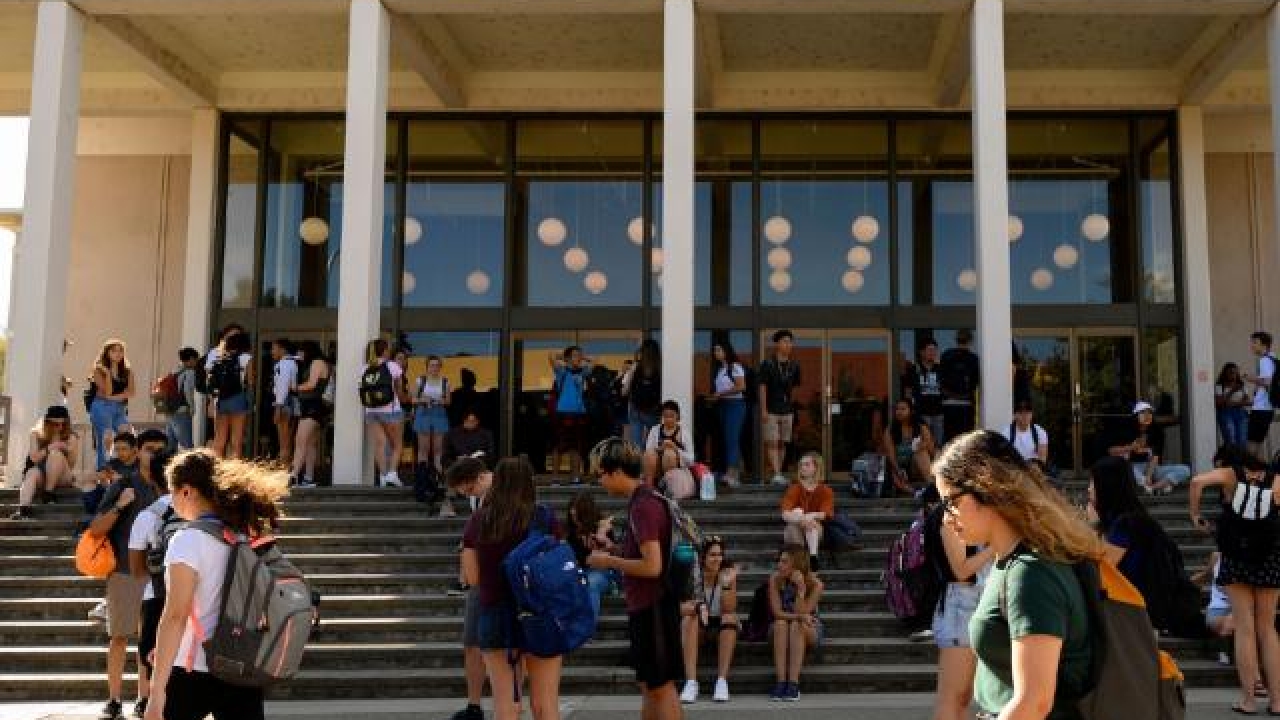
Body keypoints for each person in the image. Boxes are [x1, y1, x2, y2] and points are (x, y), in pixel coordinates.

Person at [932, 430, 1097, 720]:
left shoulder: (1030, 573)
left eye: (951, 503)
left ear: (987, 488)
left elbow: (1033, 703)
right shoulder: (1010, 562)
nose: (945, 517)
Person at [142, 450, 288, 720]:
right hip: (242, 663)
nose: (170, 501)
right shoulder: (245, 535)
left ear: (187, 491)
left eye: (172, 492)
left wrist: (157, 689)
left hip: (192, 668)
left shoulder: (188, 540)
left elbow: (175, 615)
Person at [586, 437, 683, 720]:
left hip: (653, 604)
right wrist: (614, 548)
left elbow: (652, 566)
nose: (600, 481)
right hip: (649, 604)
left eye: (600, 474)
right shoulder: (645, 500)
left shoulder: (643, 506)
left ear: (615, 471)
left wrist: (608, 561)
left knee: (660, 686)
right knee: (650, 684)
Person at [461, 457, 563, 720]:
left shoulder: (478, 520)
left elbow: (471, 577)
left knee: (506, 704)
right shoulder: (544, 517)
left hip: (495, 612)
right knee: (545, 704)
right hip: (540, 614)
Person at [1189, 445, 1280, 715]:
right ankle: (1277, 701)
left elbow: (1196, 482)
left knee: (1244, 627)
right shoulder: (1275, 476)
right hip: (1270, 556)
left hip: (1236, 553)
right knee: (1267, 627)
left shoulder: (1230, 474)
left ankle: (1249, 700)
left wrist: (1195, 516)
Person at [87, 432, 160, 720]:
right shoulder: (124, 484)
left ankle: (145, 698)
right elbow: (96, 529)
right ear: (139, 452)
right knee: (119, 637)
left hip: (159, 574)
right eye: (149, 449)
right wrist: (120, 504)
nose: (153, 455)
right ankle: (114, 700)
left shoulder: (170, 487)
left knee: (149, 640)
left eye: (159, 450)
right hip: (124, 571)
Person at [929, 507, 995, 720]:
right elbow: (961, 570)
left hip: (976, 603)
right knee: (952, 698)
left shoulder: (977, 513)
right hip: (959, 605)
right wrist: (997, 545)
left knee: (964, 698)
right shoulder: (949, 516)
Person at [126, 447, 173, 720]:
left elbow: (136, 569)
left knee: (158, 664)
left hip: (156, 597)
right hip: (202, 599)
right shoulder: (210, 514)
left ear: (152, 480)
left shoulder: (148, 516)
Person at [445, 457, 494, 720]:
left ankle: (495, 705)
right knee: (472, 643)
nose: (465, 494)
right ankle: (475, 704)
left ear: (475, 478)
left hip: (493, 578)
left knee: (485, 644)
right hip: (481, 576)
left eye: (465, 488)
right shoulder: (480, 498)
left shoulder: (503, 492)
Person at [1087, 456, 1167, 610]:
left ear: (1107, 484)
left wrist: (1094, 525)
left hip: (1136, 606)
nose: (1089, 488)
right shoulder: (1124, 516)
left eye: (1092, 482)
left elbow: (1103, 569)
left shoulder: (1126, 522)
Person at [679, 537, 739, 705]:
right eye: (712, 555)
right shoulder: (692, 575)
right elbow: (680, 608)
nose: (717, 559)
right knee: (688, 619)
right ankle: (691, 682)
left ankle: (721, 681)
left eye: (720, 554)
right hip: (698, 626)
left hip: (721, 624)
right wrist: (696, 608)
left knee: (729, 617)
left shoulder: (728, 572)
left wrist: (726, 585)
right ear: (702, 557)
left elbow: (729, 608)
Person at [767, 544, 824, 702]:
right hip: (782, 626)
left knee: (797, 625)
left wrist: (800, 590)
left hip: (809, 628)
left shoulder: (816, 584)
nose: (779, 565)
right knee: (781, 623)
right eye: (779, 560)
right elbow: (777, 612)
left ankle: (793, 684)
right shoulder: (775, 579)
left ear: (797, 564)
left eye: (784, 562)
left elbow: (805, 613)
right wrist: (798, 617)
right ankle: (780, 682)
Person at [9, 405, 80, 520]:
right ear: (47, 423)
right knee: (32, 472)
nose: (60, 427)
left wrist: (66, 450)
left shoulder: (71, 437)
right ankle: (23, 508)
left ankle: (48, 493)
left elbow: (71, 465)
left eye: (64, 424)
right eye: (56, 424)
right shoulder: (36, 434)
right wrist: (50, 447)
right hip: (42, 474)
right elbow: (34, 459)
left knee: (55, 455)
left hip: (63, 476)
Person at [1116, 401, 1191, 494]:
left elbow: (1155, 456)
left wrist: (1148, 476)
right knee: (1126, 469)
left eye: (1150, 412)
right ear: (1136, 415)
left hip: (1152, 467)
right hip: (1133, 467)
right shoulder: (1127, 431)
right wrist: (1131, 447)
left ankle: (1153, 487)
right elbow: (1123, 456)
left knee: (1185, 470)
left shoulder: (1157, 432)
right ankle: (1160, 486)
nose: (1147, 415)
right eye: (1143, 412)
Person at [759, 330, 802, 486]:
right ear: (777, 344)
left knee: (783, 442)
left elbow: (795, 389)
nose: (788, 344)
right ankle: (777, 473)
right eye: (784, 341)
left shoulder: (794, 366)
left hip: (787, 409)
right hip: (771, 408)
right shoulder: (767, 364)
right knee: (772, 441)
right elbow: (762, 387)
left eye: (790, 342)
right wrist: (763, 409)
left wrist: (793, 409)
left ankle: (778, 472)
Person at [566, 491, 619, 617]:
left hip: (603, 573)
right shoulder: (572, 533)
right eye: (572, 516)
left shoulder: (602, 527)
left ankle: (587, 629)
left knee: (591, 582)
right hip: (581, 572)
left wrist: (603, 542)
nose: (575, 521)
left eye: (577, 517)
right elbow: (575, 558)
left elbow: (610, 555)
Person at [362, 338, 406, 487]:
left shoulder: (365, 367)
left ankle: (383, 476)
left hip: (371, 411)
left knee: (380, 444)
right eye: (388, 348)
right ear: (385, 350)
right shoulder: (392, 365)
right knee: (397, 444)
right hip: (391, 410)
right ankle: (392, 474)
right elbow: (399, 388)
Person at [779, 452, 835, 568]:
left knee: (813, 523)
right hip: (795, 529)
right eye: (801, 465)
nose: (802, 467)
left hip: (815, 530)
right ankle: (807, 563)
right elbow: (785, 513)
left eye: (807, 464)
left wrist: (809, 517)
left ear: (816, 468)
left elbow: (825, 514)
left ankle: (812, 558)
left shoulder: (825, 490)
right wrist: (801, 520)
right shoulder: (794, 488)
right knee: (794, 524)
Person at [206, 331, 253, 460]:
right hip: (238, 398)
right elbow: (251, 381)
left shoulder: (219, 356)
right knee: (236, 440)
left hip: (221, 399)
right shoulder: (246, 357)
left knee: (219, 439)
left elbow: (210, 378)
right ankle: (234, 471)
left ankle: (217, 469)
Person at [90, 338, 136, 470]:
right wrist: (108, 374)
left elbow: (131, 392)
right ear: (107, 353)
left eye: (121, 350)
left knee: (128, 435)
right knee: (106, 440)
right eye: (114, 350)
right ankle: (103, 472)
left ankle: (125, 468)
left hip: (119, 408)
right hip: (101, 407)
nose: (118, 353)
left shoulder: (127, 371)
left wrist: (113, 398)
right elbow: (107, 391)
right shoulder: (99, 370)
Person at [549, 346, 593, 482]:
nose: (577, 358)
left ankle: (575, 477)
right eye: (574, 355)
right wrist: (565, 357)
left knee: (576, 447)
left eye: (579, 355)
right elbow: (551, 356)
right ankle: (555, 477)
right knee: (559, 446)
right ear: (568, 358)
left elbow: (594, 362)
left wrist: (582, 358)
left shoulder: (582, 372)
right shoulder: (562, 371)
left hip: (579, 413)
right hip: (562, 413)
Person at [291, 341, 330, 489]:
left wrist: (295, 388)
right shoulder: (317, 363)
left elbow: (312, 384)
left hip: (312, 406)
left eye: (301, 351)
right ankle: (308, 478)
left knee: (300, 441)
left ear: (307, 351)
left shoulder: (317, 362)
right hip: (312, 406)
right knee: (310, 444)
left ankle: (294, 476)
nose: (299, 355)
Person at [709, 340, 747, 488]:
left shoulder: (735, 366)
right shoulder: (720, 370)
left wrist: (720, 394)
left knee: (732, 438)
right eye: (715, 350)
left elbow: (741, 386)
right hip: (722, 406)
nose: (716, 353)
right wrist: (715, 397)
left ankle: (733, 474)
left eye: (719, 349)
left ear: (726, 351)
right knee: (723, 439)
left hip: (735, 406)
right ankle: (725, 471)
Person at [882, 398, 936, 495]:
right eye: (897, 409)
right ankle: (916, 493)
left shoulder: (921, 427)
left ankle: (932, 485)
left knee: (920, 453)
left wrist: (924, 445)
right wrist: (898, 470)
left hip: (917, 467)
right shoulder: (890, 430)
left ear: (911, 411)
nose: (899, 412)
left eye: (903, 409)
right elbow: (891, 455)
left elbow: (932, 451)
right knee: (893, 473)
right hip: (900, 468)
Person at [413, 355, 452, 488]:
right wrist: (424, 400)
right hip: (423, 413)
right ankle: (422, 480)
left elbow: (448, 401)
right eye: (431, 365)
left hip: (439, 414)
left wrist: (441, 401)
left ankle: (438, 480)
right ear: (427, 367)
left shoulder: (445, 382)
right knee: (423, 449)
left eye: (437, 365)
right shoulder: (420, 381)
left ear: (440, 367)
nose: (434, 368)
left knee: (438, 450)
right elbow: (412, 399)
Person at [939, 330, 981, 444]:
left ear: (956, 339)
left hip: (948, 404)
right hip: (966, 405)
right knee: (966, 441)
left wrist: (949, 394)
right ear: (971, 341)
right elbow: (975, 383)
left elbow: (940, 379)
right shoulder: (973, 359)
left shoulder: (946, 355)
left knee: (949, 440)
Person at [902, 338, 945, 446]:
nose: (933, 353)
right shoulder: (913, 369)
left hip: (938, 414)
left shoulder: (940, 369)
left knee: (937, 444)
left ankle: (936, 463)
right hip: (921, 413)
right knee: (922, 444)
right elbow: (908, 392)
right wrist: (910, 411)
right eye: (930, 350)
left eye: (935, 350)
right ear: (922, 352)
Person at [625, 339, 663, 448]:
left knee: (636, 444)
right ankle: (650, 462)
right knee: (653, 442)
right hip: (653, 410)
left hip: (635, 409)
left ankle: (638, 463)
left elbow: (625, 391)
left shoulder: (636, 367)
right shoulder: (660, 369)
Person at [1243, 331, 1276, 456]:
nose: (1252, 345)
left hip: (1261, 408)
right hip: (1267, 408)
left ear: (1264, 345)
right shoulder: (1273, 358)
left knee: (1252, 445)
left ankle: (1250, 473)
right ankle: (1260, 473)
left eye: (1255, 342)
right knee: (1257, 444)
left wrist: (1249, 378)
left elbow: (1267, 382)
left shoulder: (1265, 360)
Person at [165, 348, 200, 452]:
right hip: (182, 410)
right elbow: (188, 391)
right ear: (191, 359)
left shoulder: (175, 371)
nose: (196, 362)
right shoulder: (189, 372)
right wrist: (192, 407)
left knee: (170, 445)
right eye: (196, 360)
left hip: (170, 410)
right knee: (187, 445)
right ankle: (191, 467)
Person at [269, 338, 298, 463]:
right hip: (292, 402)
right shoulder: (294, 363)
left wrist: (278, 407)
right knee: (289, 440)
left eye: (274, 348)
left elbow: (282, 386)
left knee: (284, 442)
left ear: (283, 349)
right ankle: (289, 470)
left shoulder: (283, 364)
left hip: (285, 403)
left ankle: (284, 472)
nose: (272, 352)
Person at [645, 400, 695, 467]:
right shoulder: (655, 430)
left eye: (671, 416)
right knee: (650, 454)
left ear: (677, 416)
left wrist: (675, 449)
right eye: (665, 416)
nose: (668, 419)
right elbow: (648, 451)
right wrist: (660, 449)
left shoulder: (684, 433)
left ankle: (670, 477)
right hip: (657, 467)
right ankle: (650, 477)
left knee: (669, 454)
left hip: (677, 468)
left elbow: (691, 459)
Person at [1000, 399, 1050, 466]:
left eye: (1027, 413)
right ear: (1015, 415)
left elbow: (1042, 459)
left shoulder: (1040, 432)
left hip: (1033, 470)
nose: (1024, 416)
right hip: (1014, 470)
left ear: (1031, 414)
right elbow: (1003, 458)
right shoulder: (1006, 433)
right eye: (1020, 413)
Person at [1218, 362, 1253, 450]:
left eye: (1235, 373)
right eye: (1230, 373)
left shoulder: (1241, 385)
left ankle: (1241, 462)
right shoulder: (1219, 386)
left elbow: (1249, 402)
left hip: (1241, 413)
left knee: (1242, 441)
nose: (1233, 375)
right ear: (1225, 374)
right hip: (1226, 414)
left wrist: (1233, 403)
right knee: (1231, 440)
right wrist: (1231, 391)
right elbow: (1219, 402)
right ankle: (1231, 462)